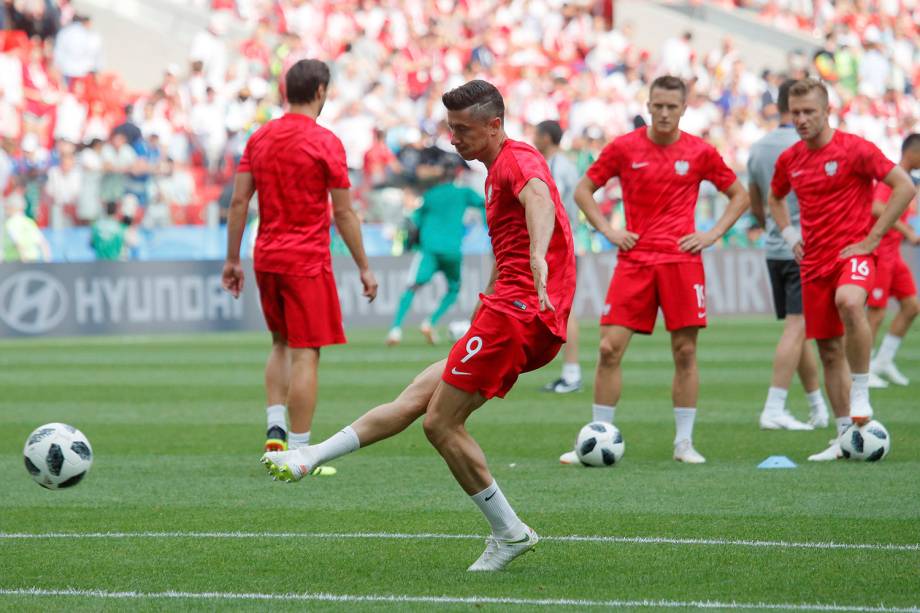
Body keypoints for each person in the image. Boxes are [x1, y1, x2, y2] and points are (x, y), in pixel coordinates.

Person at [261, 79, 576, 572]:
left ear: (495, 126)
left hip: (521, 313)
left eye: (463, 130)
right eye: (451, 128)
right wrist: (490, 295)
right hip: (509, 309)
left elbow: (538, 198)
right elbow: (510, 238)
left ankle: (509, 532)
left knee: (440, 422)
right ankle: (308, 456)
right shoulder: (493, 171)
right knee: (415, 398)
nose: (453, 139)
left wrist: (537, 253)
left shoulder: (518, 160)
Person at [559, 75, 750, 465]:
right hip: (636, 260)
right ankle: (598, 436)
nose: (664, 112)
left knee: (684, 351)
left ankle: (684, 444)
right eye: (657, 105)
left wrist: (712, 234)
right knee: (609, 349)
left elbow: (740, 196)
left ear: (683, 108)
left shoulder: (700, 152)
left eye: (671, 106)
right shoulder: (624, 148)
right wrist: (609, 230)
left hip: (682, 261)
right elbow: (583, 191)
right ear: (648, 106)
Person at [222, 59, 378, 460]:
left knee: (279, 343)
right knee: (306, 352)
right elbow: (343, 212)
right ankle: (300, 452)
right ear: (321, 91)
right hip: (306, 260)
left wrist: (232, 259)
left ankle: (275, 426)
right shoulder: (326, 142)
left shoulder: (259, 138)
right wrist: (363, 265)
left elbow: (239, 201)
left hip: (266, 256)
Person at [768, 78, 917, 462]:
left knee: (850, 301)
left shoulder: (855, 149)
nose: (801, 120)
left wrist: (873, 238)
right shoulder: (790, 159)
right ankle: (844, 437)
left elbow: (903, 187)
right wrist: (788, 233)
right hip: (813, 261)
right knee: (829, 351)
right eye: (795, 113)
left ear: (827, 111)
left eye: (809, 112)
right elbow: (775, 197)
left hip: (853, 254)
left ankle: (862, 390)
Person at [748, 79, 829, 431]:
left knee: (799, 330)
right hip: (805, 248)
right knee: (799, 327)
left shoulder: (759, 147)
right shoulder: (807, 144)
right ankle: (774, 406)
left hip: (774, 247)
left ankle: (817, 407)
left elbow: (757, 202)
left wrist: (773, 227)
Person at [386, 155, 484, 346]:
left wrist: (409, 243)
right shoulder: (464, 192)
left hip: (429, 250)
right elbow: (486, 204)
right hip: (452, 250)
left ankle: (396, 330)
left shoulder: (430, 196)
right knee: (454, 289)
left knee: (412, 287)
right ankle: (430, 321)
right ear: (457, 173)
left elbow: (415, 221)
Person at [867, 134, 920, 387]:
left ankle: (883, 361)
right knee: (876, 312)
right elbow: (876, 207)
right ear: (913, 153)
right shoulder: (893, 174)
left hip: (893, 253)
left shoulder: (908, 179)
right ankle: (863, 369)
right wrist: (907, 231)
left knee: (911, 306)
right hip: (880, 252)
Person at [535, 120, 583, 394]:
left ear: (545, 137)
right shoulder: (564, 165)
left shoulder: (554, 166)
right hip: (563, 241)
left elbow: (552, 205)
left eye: (536, 135)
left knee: (565, 307)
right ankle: (570, 372)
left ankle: (572, 373)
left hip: (557, 244)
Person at [3, 189, 50, 262]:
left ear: (12, 208)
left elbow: (18, 243)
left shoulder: (11, 223)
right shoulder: (29, 222)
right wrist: (48, 263)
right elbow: (43, 244)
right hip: (32, 261)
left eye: (7, 207)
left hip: (16, 263)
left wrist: (24, 261)